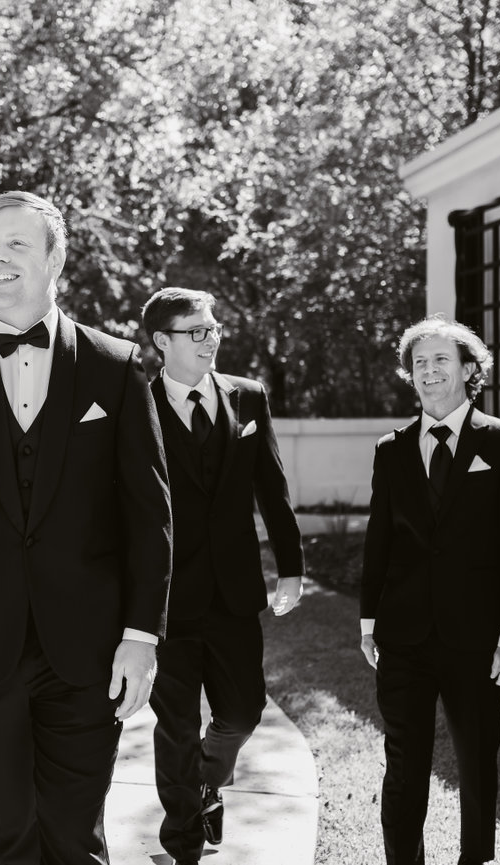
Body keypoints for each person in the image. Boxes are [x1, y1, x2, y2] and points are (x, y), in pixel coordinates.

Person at [0, 190, 173, 865]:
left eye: (16, 245)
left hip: (89, 648)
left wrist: (141, 635)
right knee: (11, 832)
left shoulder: (116, 366)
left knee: (76, 836)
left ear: (55, 259)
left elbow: (149, 514)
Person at [360, 314, 500, 865]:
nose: (430, 370)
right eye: (420, 362)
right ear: (410, 375)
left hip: (478, 639)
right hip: (403, 637)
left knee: (477, 762)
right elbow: (379, 541)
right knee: (403, 762)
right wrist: (369, 622)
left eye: (442, 359)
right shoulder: (391, 449)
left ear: (468, 369)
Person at [139, 287, 304, 863]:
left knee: (242, 712)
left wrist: (291, 567)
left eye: (213, 328)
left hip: (234, 591)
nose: (210, 339)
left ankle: (208, 778)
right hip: (166, 597)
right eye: (196, 331)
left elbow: (272, 487)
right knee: (175, 725)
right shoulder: (136, 405)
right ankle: (183, 842)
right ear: (162, 342)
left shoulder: (248, 396)